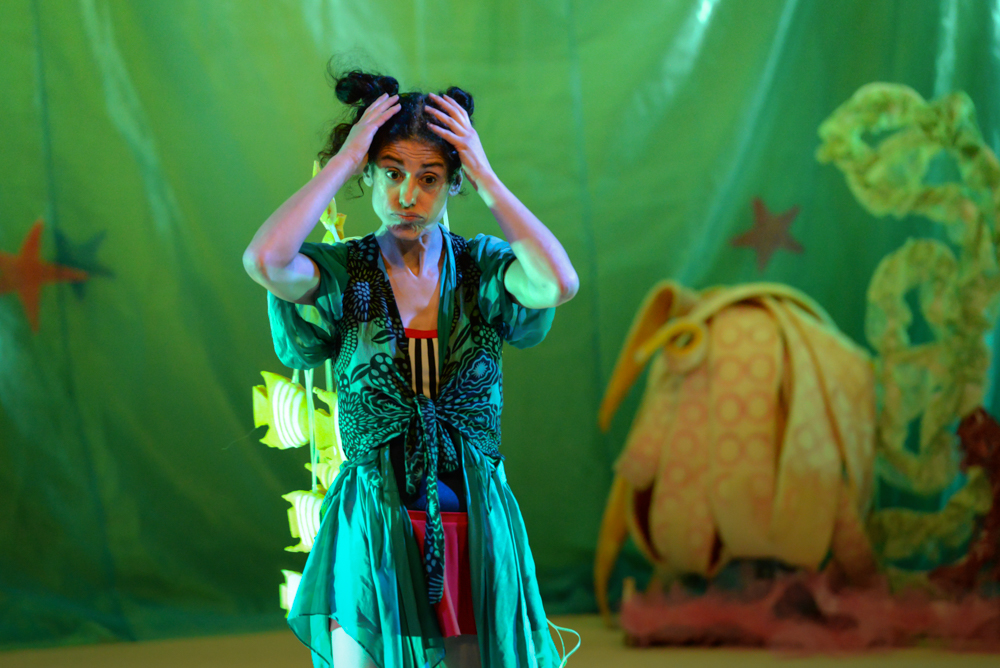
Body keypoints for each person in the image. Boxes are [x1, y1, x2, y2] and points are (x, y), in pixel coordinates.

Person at [243, 69, 579, 668]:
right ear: (370, 176)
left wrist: (486, 174)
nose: (407, 195)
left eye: (429, 178)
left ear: (452, 183)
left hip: (470, 519)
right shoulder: (344, 272)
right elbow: (266, 260)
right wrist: (345, 160)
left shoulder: (481, 268)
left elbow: (558, 283)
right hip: (372, 519)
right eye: (391, 173)